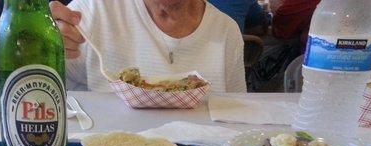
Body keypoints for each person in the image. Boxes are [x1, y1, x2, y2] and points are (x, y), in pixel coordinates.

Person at [54, 0, 246, 92]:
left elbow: (237, 121)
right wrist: (31, 38)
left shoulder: (226, 31)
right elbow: (33, 84)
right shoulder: (92, 13)